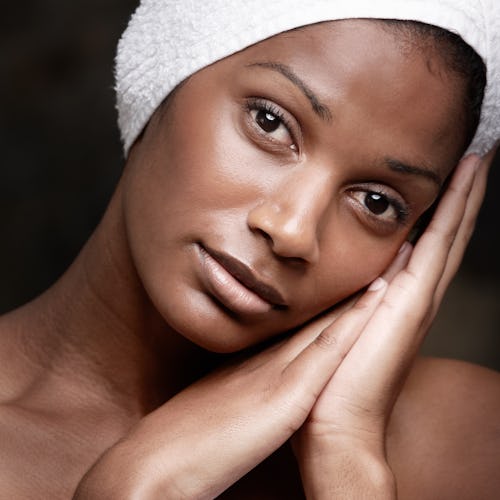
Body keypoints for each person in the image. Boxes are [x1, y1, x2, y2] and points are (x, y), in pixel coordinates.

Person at [1, 1, 499, 498]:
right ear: (164, 76)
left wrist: (347, 454)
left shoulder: (468, 443)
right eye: (270, 122)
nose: (294, 232)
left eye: (376, 202)